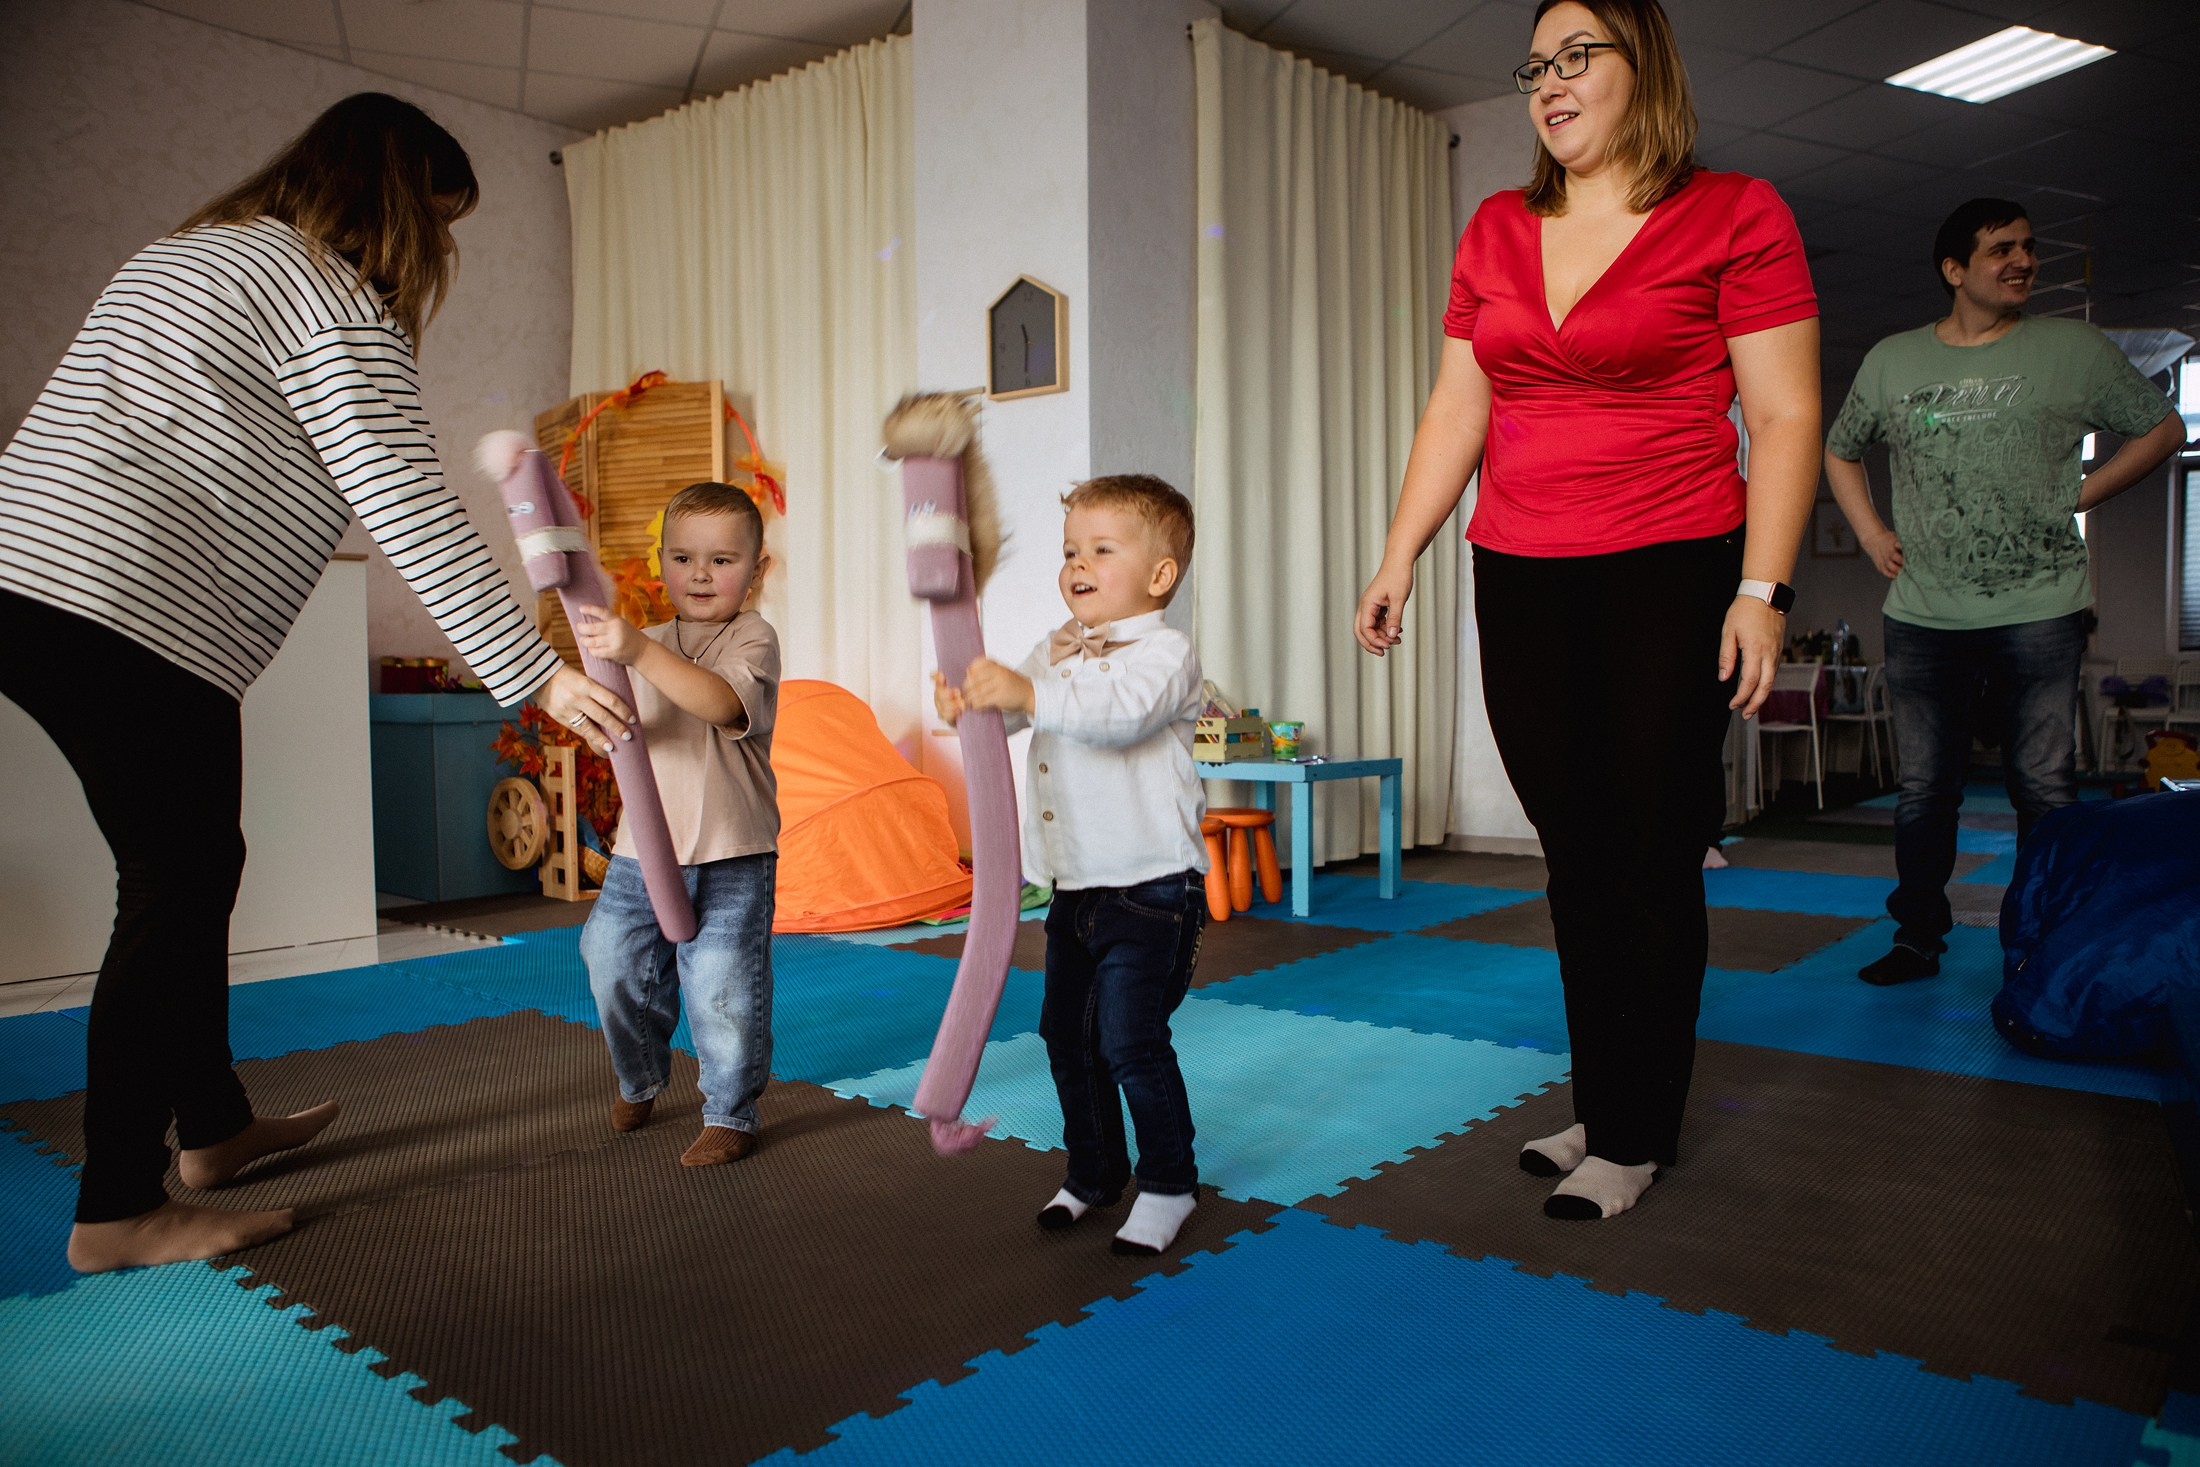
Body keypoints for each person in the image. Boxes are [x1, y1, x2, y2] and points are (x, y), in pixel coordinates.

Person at [0, 94, 630, 1272]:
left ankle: (214, 1127)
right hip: (127, 603)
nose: (435, 250)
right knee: (173, 884)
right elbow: (403, 498)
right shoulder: (329, 294)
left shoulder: (187, 253)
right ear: (396, 204)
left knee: (196, 866)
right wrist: (531, 673)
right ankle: (118, 1206)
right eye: (437, 219)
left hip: (37, 575)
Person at [1354, 0, 1820, 1220]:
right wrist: (1400, 553)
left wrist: (1761, 590)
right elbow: (1457, 408)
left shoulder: (1734, 213)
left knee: (1651, 848)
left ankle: (1633, 1130)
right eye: (1534, 67)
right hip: (1519, 566)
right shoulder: (1497, 227)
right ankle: (1607, 1094)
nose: (1549, 84)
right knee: (1574, 850)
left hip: (1672, 559)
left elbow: (1783, 415)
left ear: (1641, 69)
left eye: (1577, 57)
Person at [1825, 198, 2187, 987]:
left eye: (2027, 247)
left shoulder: (2073, 350)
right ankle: (1918, 937)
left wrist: (2085, 492)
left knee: (2044, 787)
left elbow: (2165, 429)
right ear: (1955, 270)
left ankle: (2040, 940)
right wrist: (1872, 532)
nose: (2022, 261)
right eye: (2000, 250)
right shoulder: (1892, 360)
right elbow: (1840, 448)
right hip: (1924, 613)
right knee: (1924, 790)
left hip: (2040, 608)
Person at [933, 475, 1209, 1256]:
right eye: (1069, 550)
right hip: (1074, 887)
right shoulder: (1055, 644)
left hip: (1154, 889)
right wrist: (971, 705)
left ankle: (1170, 1181)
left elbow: (1117, 716)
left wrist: (1028, 689)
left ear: (1160, 574)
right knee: (1065, 1035)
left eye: (1100, 549)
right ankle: (1093, 1170)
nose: (1077, 564)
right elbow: (1013, 712)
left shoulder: (1167, 654)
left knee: (1130, 1038)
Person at [573, 482, 780, 1166]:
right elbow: (616, 721)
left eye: (722, 560)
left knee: (723, 987)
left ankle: (730, 1112)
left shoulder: (752, 637)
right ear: (661, 562)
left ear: (758, 569)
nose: (700, 574)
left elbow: (719, 703)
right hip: (642, 851)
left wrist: (635, 651)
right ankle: (639, 1075)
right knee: (609, 958)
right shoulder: (645, 642)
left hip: (731, 851)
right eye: (684, 558)